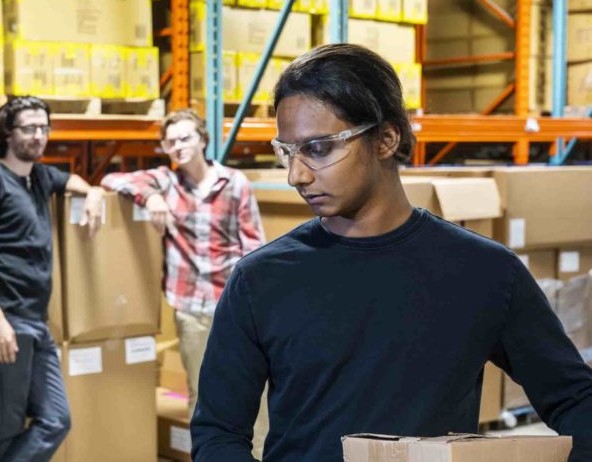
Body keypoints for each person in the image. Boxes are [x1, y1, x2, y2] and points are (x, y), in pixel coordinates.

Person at [190, 44, 592, 461]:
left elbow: (575, 399)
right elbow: (218, 433)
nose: (296, 175)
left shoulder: (485, 272)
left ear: (385, 139)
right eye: (287, 152)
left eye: (318, 148)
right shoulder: (261, 280)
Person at [101, 109, 267, 454]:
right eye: (171, 141)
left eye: (185, 138)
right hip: (191, 308)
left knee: (250, 390)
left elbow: (254, 247)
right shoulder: (166, 182)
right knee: (201, 395)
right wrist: (151, 196)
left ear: (203, 141)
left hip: (233, 306)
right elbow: (112, 181)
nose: (178, 145)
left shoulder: (234, 183)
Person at [0, 96, 105, 462]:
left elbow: (72, 180)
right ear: (7, 132)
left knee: (56, 419)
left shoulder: (39, 176)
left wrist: (95, 192)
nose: (38, 136)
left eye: (44, 128)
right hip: (6, 319)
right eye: (29, 128)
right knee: (6, 427)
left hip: (36, 321)